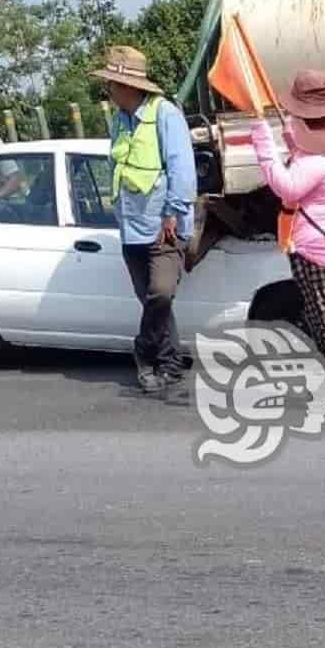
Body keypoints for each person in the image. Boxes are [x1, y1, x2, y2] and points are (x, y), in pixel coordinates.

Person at [248, 70, 325, 413]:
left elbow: (286, 188)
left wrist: (263, 142)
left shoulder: (317, 162)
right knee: (317, 315)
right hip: (324, 249)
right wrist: (289, 142)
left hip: (315, 251)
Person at [90, 46, 197, 395]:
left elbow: (181, 168)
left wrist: (171, 210)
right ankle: (169, 365)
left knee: (161, 293)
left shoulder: (165, 115)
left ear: (129, 86)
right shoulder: (119, 121)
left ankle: (143, 350)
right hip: (131, 226)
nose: (108, 91)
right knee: (154, 303)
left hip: (162, 225)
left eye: (112, 84)